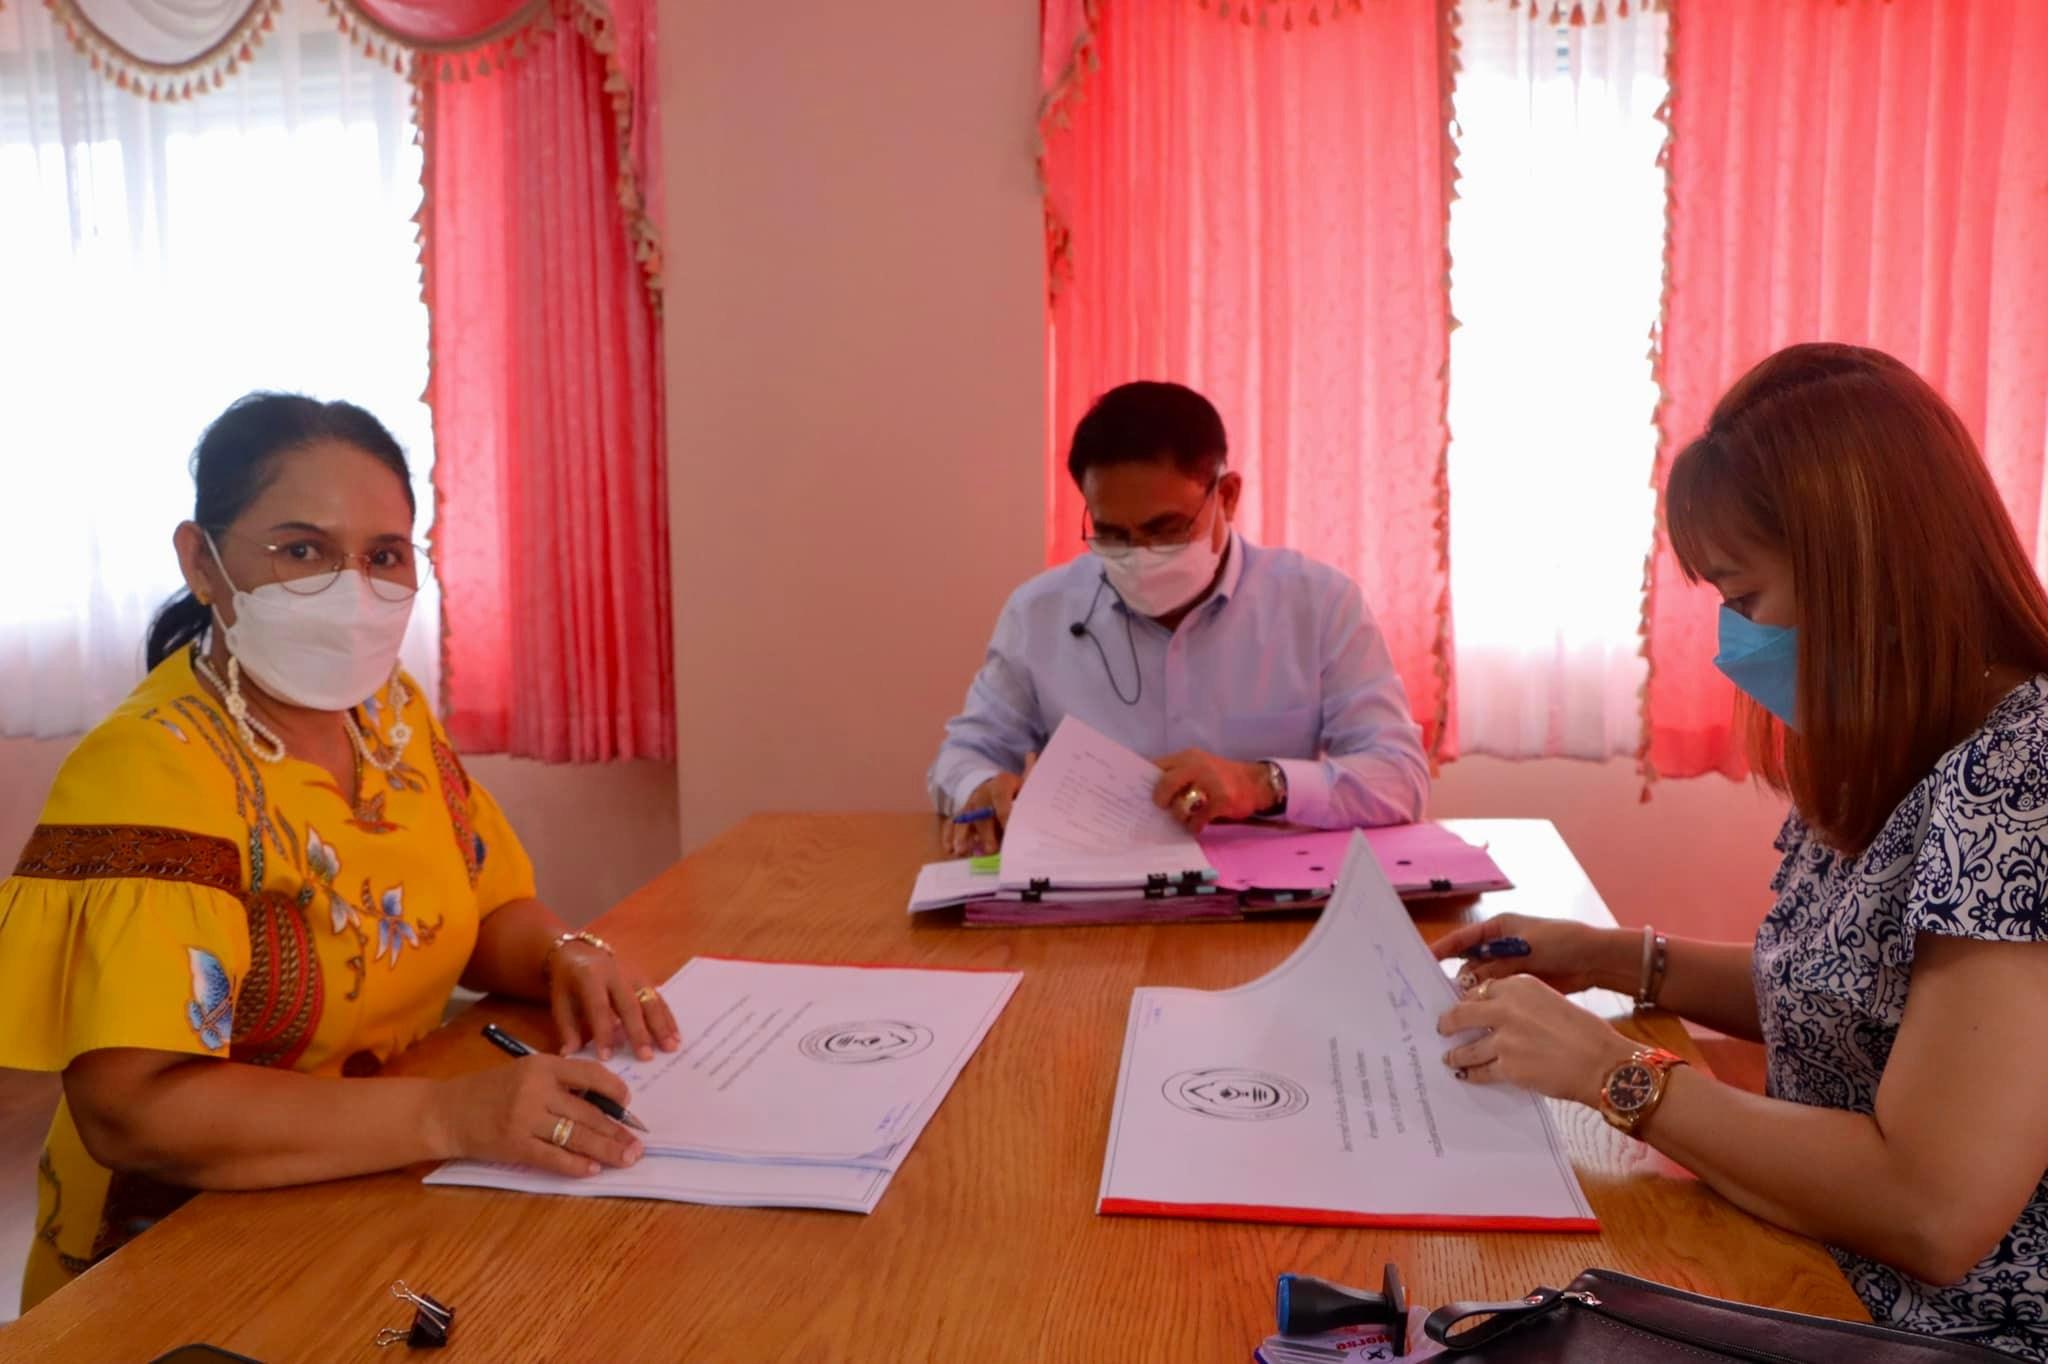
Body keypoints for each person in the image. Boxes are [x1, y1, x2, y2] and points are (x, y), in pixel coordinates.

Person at [1431, 343, 2048, 1360]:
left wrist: (1614, 1071)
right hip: (1817, 1260)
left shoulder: (2018, 776)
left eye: (1745, 596)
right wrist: (1612, 956)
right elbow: (1848, 1000)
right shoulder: (1907, 743)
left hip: (1951, 1330)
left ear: (1862, 575)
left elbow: (1933, 1207)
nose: (1733, 639)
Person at [0, 394, 681, 1313]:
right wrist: (453, 1113)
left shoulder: (386, 713)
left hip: (381, 1192)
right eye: (302, 551)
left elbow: (483, 910)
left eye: (384, 556)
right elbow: (133, 1111)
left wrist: (566, 954)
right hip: (185, 1248)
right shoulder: (152, 771)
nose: (350, 591)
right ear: (201, 562)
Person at [930, 381, 1428, 856]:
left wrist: (1261, 783)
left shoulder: (1318, 604)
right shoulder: (1040, 612)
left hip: (1265, 895)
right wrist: (979, 786)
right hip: (1095, 888)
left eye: (1166, 529)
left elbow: (1399, 776)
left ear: (1227, 496)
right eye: (1112, 534)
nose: (1139, 555)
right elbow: (965, 754)